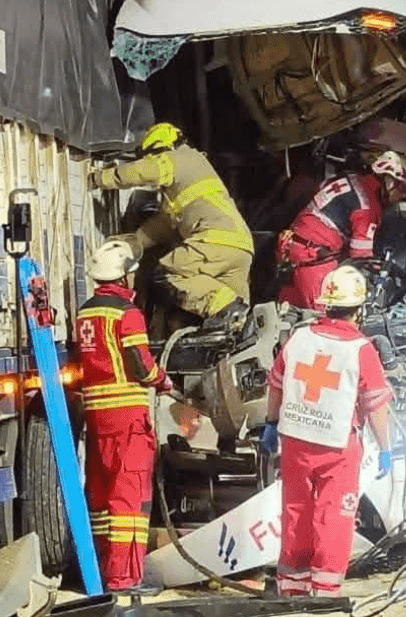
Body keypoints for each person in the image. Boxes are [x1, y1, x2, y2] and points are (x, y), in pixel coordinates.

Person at [260, 266, 394, 597]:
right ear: (359, 308)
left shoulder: (299, 338)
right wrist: (386, 447)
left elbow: (275, 386)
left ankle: (291, 590)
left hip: (294, 442)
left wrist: (271, 423)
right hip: (337, 447)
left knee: (296, 514)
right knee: (334, 519)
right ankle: (325, 593)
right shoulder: (362, 349)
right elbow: (376, 405)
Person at [73, 240, 173, 591]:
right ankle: (124, 578)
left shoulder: (85, 313)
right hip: (128, 418)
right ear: (126, 277)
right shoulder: (127, 314)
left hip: (97, 419)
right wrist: (164, 381)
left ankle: (101, 572)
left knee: (100, 496)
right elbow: (142, 366)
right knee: (127, 500)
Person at [91, 122, 253, 330]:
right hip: (240, 247)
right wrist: (136, 242)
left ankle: (226, 305)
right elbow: (164, 225)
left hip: (214, 241)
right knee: (235, 325)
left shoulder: (178, 158)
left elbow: (144, 171)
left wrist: (101, 178)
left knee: (167, 274)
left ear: (161, 149)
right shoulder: (190, 176)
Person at [276, 150, 406, 310]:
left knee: (288, 308)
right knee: (328, 313)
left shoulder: (351, 178)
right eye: (402, 188)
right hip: (313, 259)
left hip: (290, 247)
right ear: (390, 182)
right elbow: (361, 259)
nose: (403, 195)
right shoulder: (368, 208)